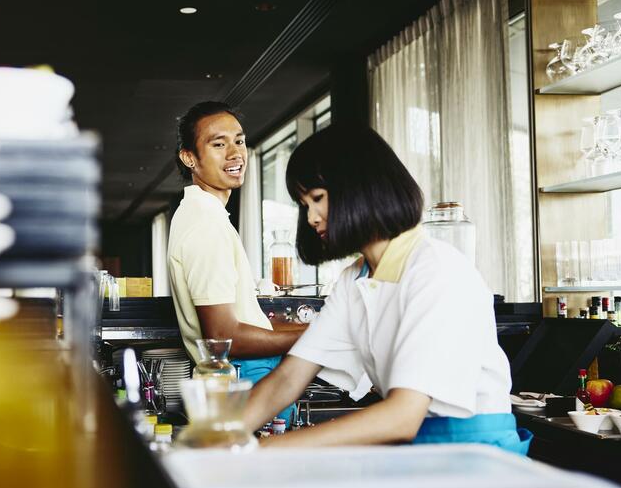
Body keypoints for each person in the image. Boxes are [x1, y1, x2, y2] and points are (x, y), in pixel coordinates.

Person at [243, 123, 531, 454]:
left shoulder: (435, 270)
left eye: (318, 198)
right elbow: (289, 377)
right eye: (304, 204)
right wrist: (221, 436)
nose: (311, 217)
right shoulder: (356, 278)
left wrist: (262, 451)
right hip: (424, 452)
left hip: (476, 454)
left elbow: (402, 416)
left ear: (361, 187)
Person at [167, 101, 306, 423]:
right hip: (244, 378)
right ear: (189, 157)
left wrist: (321, 326)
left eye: (239, 141)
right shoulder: (205, 223)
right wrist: (319, 336)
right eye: (218, 144)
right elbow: (223, 337)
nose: (235, 153)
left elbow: (247, 322)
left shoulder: (202, 213)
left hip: (242, 377)